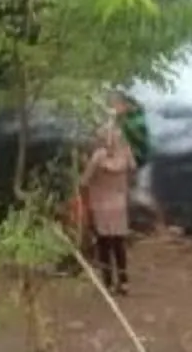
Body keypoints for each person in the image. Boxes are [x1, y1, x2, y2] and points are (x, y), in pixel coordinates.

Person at [81, 117, 137, 294]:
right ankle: (124, 281)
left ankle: (108, 282)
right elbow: (133, 170)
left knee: (104, 244)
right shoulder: (126, 153)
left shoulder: (98, 156)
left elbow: (84, 181)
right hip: (119, 204)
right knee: (119, 244)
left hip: (100, 205)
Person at [113, 91, 163, 227]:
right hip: (132, 159)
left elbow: (134, 139)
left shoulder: (136, 121)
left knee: (141, 194)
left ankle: (158, 223)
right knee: (129, 192)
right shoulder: (125, 118)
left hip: (141, 160)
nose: (114, 108)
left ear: (125, 104)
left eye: (116, 104)